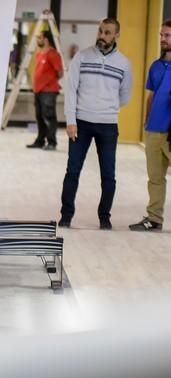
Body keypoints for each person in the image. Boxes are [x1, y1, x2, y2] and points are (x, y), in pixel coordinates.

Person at [59, 18, 132, 230]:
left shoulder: (124, 64)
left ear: (117, 35)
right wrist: (71, 120)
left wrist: (105, 108)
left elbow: (125, 97)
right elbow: (71, 90)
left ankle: (104, 217)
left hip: (108, 125)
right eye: (101, 31)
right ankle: (66, 215)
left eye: (108, 32)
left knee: (108, 174)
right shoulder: (82, 57)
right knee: (72, 171)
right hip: (81, 123)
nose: (103, 35)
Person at [129, 20, 171, 232]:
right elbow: (151, 96)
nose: (163, 39)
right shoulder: (155, 66)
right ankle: (154, 219)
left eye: (168, 35)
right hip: (154, 131)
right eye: (162, 35)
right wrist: (147, 123)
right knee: (155, 178)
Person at [26, 30, 63, 151]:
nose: (38, 40)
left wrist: (48, 82)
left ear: (46, 39)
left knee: (49, 117)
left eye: (40, 38)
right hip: (38, 91)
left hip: (48, 91)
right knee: (40, 117)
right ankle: (40, 141)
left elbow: (60, 72)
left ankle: (52, 142)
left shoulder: (53, 54)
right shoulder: (40, 53)